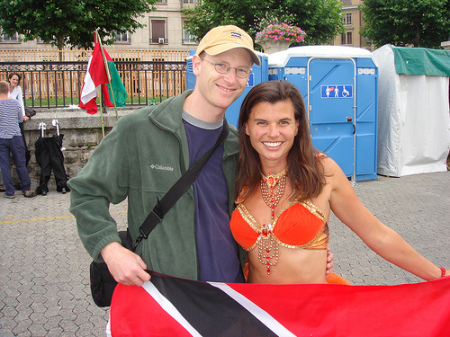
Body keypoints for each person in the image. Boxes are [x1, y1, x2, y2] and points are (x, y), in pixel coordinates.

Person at [230, 80, 448, 285]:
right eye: (262, 123)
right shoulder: (237, 174)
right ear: (247, 127)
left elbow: (378, 235)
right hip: (258, 314)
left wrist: (439, 276)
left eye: (283, 122)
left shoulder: (323, 172)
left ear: (297, 126)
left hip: (313, 316)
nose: (273, 133)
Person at [0, 81, 35, 199]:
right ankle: (26, 188)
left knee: (4, 165)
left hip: (2, 137)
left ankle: (9, 192)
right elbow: (20, 119)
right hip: (15, 136)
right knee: (20, 163)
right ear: (8, 90)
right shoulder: (15, 103)